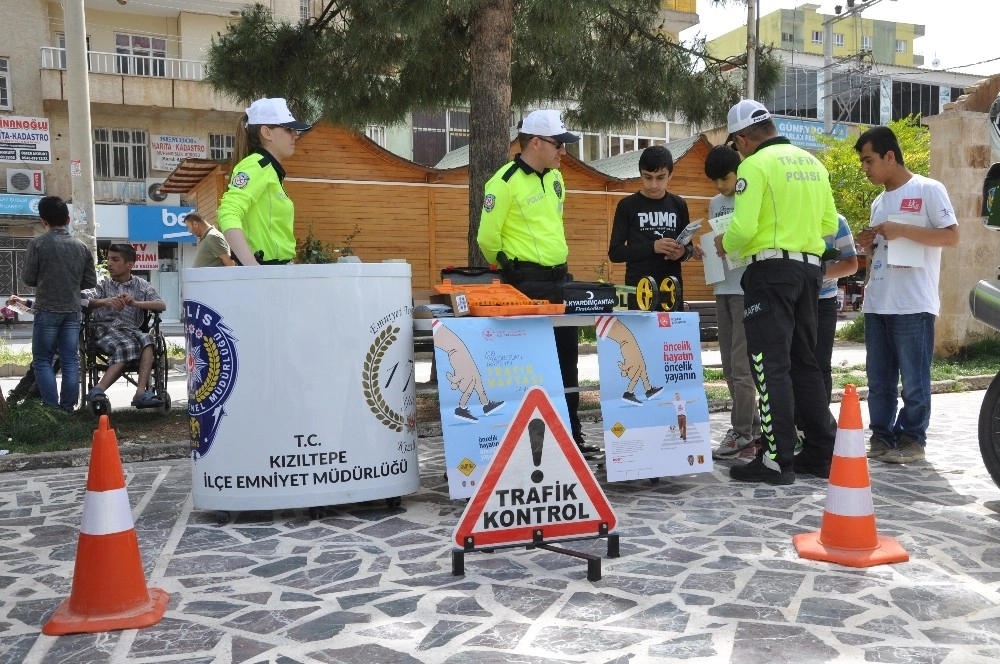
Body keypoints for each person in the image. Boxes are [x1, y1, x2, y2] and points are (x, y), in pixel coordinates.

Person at [715, 99, 838, 485]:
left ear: (741, 138)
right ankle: (820, 452)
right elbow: (829, 223)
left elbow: (744, 227)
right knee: (804, 361)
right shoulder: (813, 163)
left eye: (736, 146)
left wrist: (725, 242)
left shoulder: (754, 165)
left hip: (771, 272)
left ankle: (776, 458)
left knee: (769, 365)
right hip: (810, 272)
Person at [477, 109, 601, 458]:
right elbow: (487, 237)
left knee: (568, 361)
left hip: (560, 279)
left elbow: (553, 226)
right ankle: (525, 443)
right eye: (558, 144)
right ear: (535, 142)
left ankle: (572, 436)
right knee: (528, 364)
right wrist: (510, 268)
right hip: (525, 283)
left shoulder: (557, 179)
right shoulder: (503, 182)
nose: (564, 151)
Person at [855, 125, 959, 464]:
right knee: (879, 381)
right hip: (878, 302)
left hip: (914, 303)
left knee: (914, 380)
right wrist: (869, 244)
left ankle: (913, 438)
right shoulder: (878, 202)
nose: (865, 168)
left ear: (889, 156)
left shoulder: (929, 189)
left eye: (869, 160)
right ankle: (882, 437)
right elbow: (877, 257)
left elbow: (951, 237)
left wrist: (903, 230)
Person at [704, 145, 760, 460]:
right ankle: (752, 431)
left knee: (742, 367)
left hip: (746, 289)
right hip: (721, 288)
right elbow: (717, 241)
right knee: (728, 367)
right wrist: (705, 251)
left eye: (725, 178)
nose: (721, 186)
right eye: (715, 181)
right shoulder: (715, 204)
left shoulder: (749, 196)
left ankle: (741, 432)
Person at [19, 196, 97, 412]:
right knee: (70, 360)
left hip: (46, 310)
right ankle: (67, 409)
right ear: (68, 218)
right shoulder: (81, 247)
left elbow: (28, 278)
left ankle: (51, 408)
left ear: (44, 221)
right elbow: (91, 281)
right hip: (72, 311)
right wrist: (71, 282)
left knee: (43, 360)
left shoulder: (38, 244)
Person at [217, 97, 310, 266]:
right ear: (266, 132)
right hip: (267, 272)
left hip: (276, 272)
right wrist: (254, 269)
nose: (295, 135)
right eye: (289, 129)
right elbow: (228, 213)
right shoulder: (257, 165)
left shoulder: (268, 169)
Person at [608, 145, 695, 311]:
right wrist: (653, 247)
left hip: (671, 290)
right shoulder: (627, 205)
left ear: (670, 175)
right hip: (639, 291)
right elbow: (615, 253)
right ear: (640, 174)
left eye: (660, 177)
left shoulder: (679, 204)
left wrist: (683, 252)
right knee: (640, 337)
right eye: (648, 177)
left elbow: (688, 248)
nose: (654, 184)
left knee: (671, 338)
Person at [83, 243, 167, 408]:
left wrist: (136, 303)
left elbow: (161, 305)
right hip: (104, 329)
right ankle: (98, 389)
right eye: (108, 259)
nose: (109, 263)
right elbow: (84, 301)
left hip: (130, 330)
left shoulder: (141, 285)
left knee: (148, 340)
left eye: (115, 259)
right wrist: (105, 301)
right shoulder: (102, 284)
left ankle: (141, 392)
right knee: (127, 345)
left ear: (130, 264)